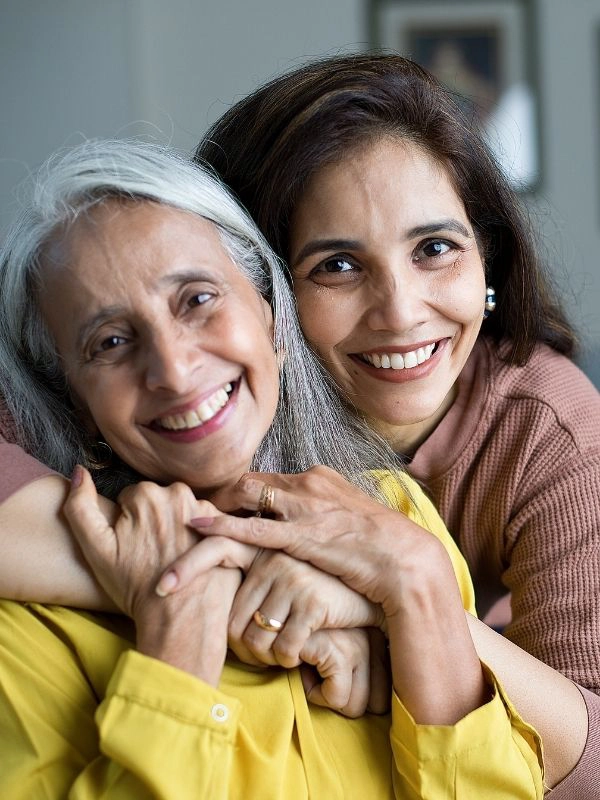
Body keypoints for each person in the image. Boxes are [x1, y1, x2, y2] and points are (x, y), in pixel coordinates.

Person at [0, 139, 543, 798]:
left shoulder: (394, 515)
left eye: (197, 299)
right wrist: (178, 647)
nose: (173, 370)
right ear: (79, 405)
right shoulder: (25, 626)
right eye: (110, 342)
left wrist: (420, 584)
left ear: (270, 317)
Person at [189, 53, 600, 796]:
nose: (402, 311)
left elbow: (595, 755)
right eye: (338, 266)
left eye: (435, 249)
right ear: (253, 286)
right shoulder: (196, 394)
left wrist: (411, 592)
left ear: (490, 263)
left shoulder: (548, 424)